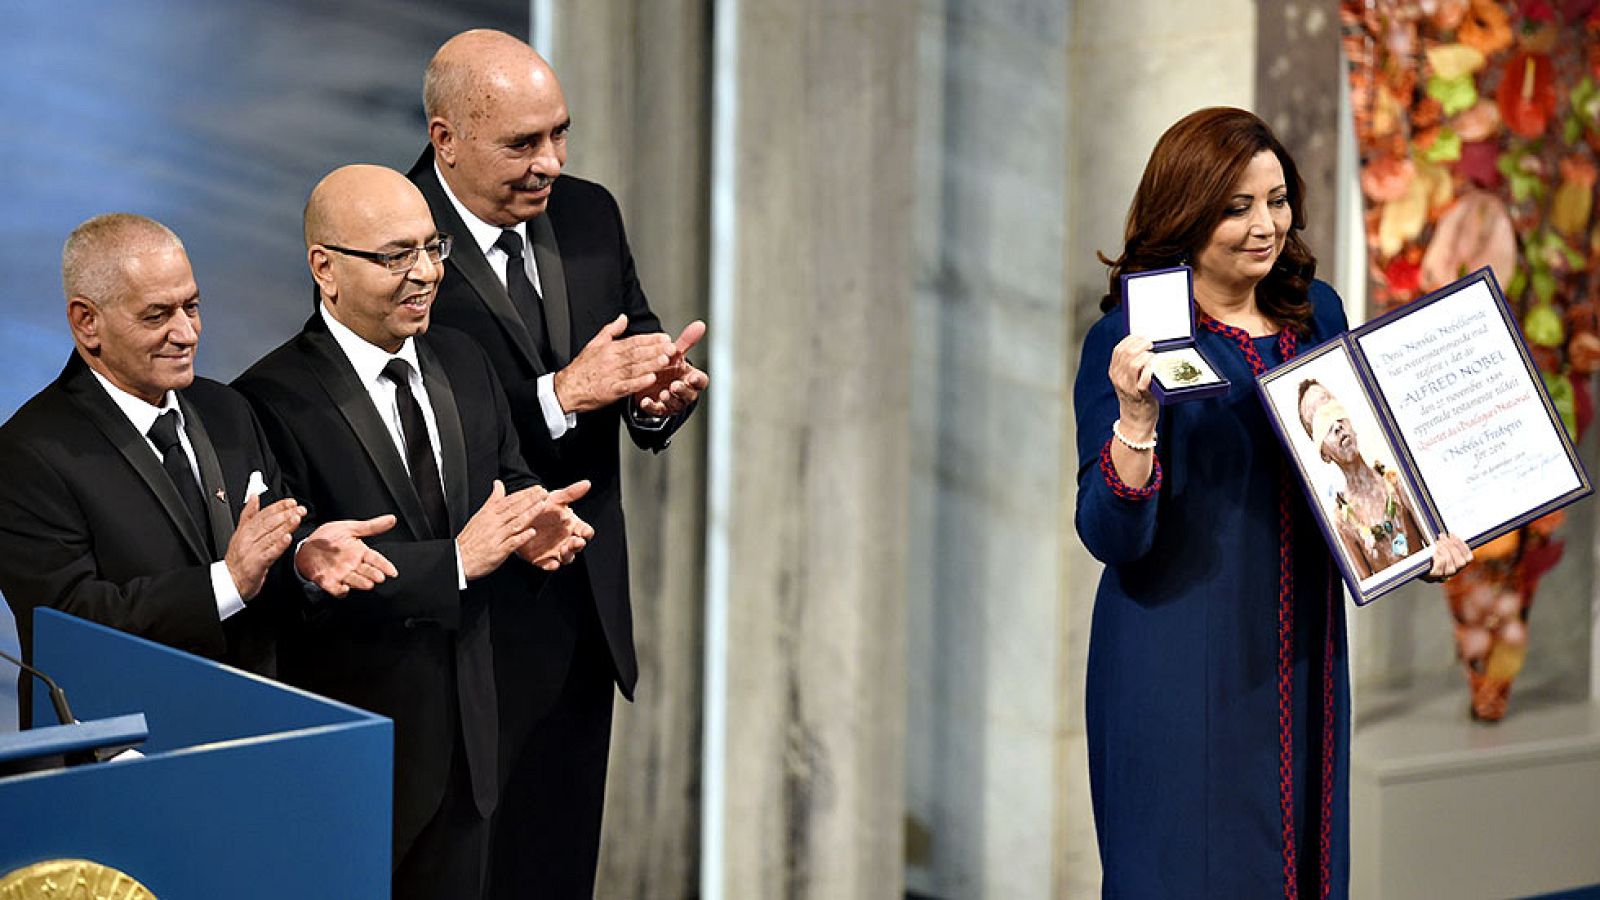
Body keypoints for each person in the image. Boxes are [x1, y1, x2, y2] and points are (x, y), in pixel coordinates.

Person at [1073, 107, 1472, 898]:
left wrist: (1418, 540)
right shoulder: (1128, 339)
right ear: (1185, 213)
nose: (1267, 226)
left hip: (1301, 651)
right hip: (1177, 661)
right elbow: (1110, 534)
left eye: (1278, 200)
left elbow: (1362, 474)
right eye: (1237, 207)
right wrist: (1137, 420)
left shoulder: (1316, 310)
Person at [232, 165, 593, 900]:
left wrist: (532, 522)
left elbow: (505, 476)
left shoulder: (463, 361)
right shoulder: (267, 402)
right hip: (357, 759)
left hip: (475, 749)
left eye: (434, 248)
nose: (426, 273)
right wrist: (453, 563)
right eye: (397, 255)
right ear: (324, 269)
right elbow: (295, 588)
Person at [407, 29, 709, 896]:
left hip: (580, 622)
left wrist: (656, 400)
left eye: (560, 133)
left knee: (557, 870)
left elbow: (638, 343)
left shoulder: (588, 214)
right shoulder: (390, 240)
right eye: (522, 144)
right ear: (445, 138)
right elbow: (407, 432)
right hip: (459, 634)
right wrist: (558, 397)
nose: (551, 162)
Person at [0, 213, 396, 726]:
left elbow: (260, 559)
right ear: (86, 322)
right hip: (119, 749)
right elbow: (70, 621)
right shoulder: (31, 453)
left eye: (192, 306)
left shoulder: (226, 410)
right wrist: (225, 582)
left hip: (245, 729)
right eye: (156, 316)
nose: (185, 333)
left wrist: (301, 559)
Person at [1297, 379, 1428, 578]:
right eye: (1320, 421)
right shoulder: (1343, 521)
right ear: (1324, 454)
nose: (1336, 426)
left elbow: (1435, 547)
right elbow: (1367, 586)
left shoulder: (1395, 482)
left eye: (1332, 408)